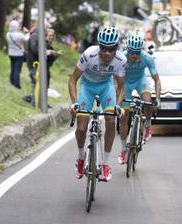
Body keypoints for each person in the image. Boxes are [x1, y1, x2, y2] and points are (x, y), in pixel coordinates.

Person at [69, 27, 126, 182]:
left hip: (106, 87)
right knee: (81, 127)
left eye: (111, 49)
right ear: (99, 46)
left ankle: (105, 164)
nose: (106, 53)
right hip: (87, 87)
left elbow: (121, 87)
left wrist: (118, 105)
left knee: (111, 120)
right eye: (103, 48)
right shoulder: (89, 54)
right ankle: (81, 157)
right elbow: (73, 80)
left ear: (116, 48)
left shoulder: (121, 60)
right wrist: (74, 103)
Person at [117, 34, 161, 164]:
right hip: (126, 83)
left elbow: (157, 80)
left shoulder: (147, 58)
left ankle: (147, 124)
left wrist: (157, 99)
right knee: (123, 118)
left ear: (141, 50)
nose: (134, 55)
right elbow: (115, 81)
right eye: (131, 52)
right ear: (127, 49)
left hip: (140, 81)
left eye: (137, 52)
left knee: (147, 100)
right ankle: (124, 149)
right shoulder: (121, 57)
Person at [6, 20, 29, 89]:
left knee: (12, 68)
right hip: (19, 54)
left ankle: (11, 81)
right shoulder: (19, 35)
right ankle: (16, 84)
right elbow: (26, 39)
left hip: (11, 53)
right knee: (17, 70)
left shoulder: (8, 34)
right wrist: (27, 32)